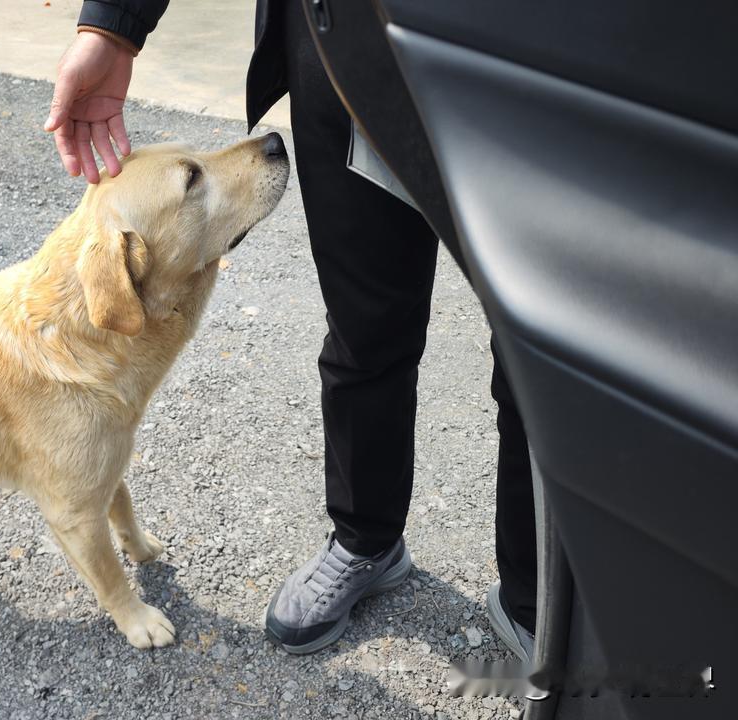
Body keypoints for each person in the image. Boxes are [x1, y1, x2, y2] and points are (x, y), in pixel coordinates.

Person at [44, 0, 538, 660]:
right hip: (349, 42)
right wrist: (114, 23)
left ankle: (539, 594)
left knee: (541, 359)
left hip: (529, 59)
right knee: (365, 329)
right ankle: (366, 541)